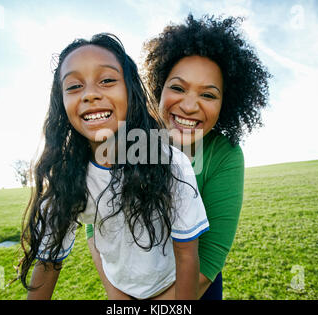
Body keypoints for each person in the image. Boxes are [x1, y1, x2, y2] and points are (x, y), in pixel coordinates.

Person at [87, 14, 270, 300]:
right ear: (158, 87)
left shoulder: (225, 155)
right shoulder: (126, 138)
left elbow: (208, 258)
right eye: (177, 88)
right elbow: (95, 222)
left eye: (208, 95)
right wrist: (118, 297)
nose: (188, 105)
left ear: (226, 102)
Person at [17, 33, 209, 300]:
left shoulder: (170, 163)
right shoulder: (65, 177)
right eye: (73, 86)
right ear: (61, 104)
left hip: (170, 286)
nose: (91, 94)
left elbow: (187, 254)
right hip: (119, 289)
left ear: (130, 91)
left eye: (107, 80)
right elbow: (48, 263)